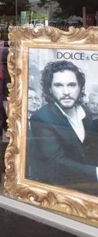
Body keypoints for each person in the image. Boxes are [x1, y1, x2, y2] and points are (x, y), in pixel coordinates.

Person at [27, 60, 98, 193]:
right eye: (59, 85)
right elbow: (56, 161)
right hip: (59, 190)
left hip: (87, 186)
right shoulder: (41, 117)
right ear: (50, 89)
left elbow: (88, 149)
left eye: (72, 85)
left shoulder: (85, 111)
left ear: (80, 87)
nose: (66, 92)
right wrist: (95, 172)